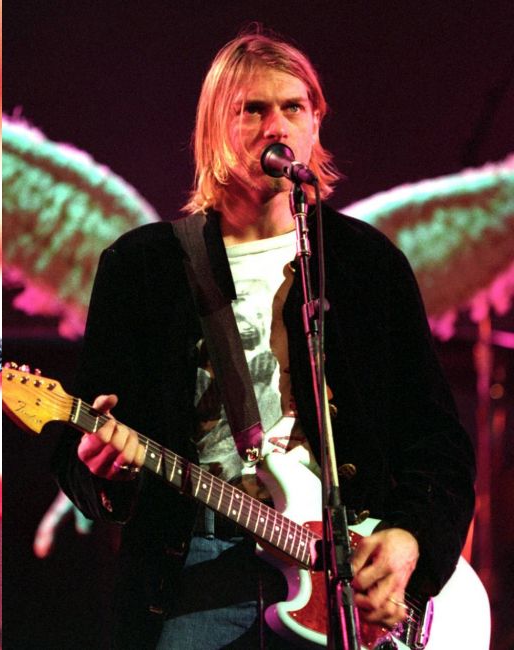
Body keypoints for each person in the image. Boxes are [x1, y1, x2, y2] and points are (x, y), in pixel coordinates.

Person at [54, 30, 476, 649]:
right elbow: (83, 449)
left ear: (314, 124)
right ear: (213, 127)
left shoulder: (364, 263)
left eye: (293, 108)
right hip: (197, 571)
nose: (276, 125)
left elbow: (437, 442)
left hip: (346, 583)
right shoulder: (143, 268)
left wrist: (411, 541)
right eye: (252, 109)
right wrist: (103, 470)